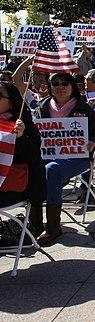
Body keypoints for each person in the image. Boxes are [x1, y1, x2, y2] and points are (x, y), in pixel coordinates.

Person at [33, 72, 95, 245]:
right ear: (50, 87)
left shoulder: (84, 107)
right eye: (55, 83)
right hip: (48, 156)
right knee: (33, 168)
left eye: (65, 83)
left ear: (72, 86)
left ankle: (53, 227)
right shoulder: (42, 106)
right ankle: (34, 223)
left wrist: (92, 141)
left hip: (78, 158)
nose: (60, 87)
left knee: (52, 170)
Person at [0, 82, 46, 238]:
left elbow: (34, 158)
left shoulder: (24, 125)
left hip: (14, 188)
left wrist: (20, 138)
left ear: (11, 101)